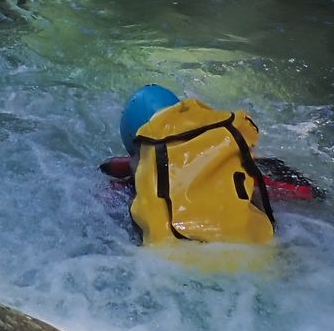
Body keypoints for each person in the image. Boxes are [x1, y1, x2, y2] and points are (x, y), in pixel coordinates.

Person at [100, 84, 320, 245]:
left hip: (172, 261)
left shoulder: (128, 188)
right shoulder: (233, 160)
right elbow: (307, 195)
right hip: (253, 256)